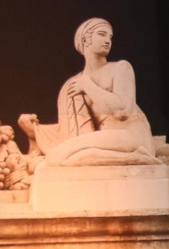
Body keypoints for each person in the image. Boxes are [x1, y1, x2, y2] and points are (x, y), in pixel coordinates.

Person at [18, 18, 158, 168]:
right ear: (85, 39)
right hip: (102, 139)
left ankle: (138, 155)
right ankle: (133, 158)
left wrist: (87, 85)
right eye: (102, 34)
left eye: (110, 37)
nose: (108, 41)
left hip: (130, 136)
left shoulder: (120, 68)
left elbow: (122, 111)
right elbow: (70, 131)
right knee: (57, 157)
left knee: (56, 157)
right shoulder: (73, 84)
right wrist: (35, 130)